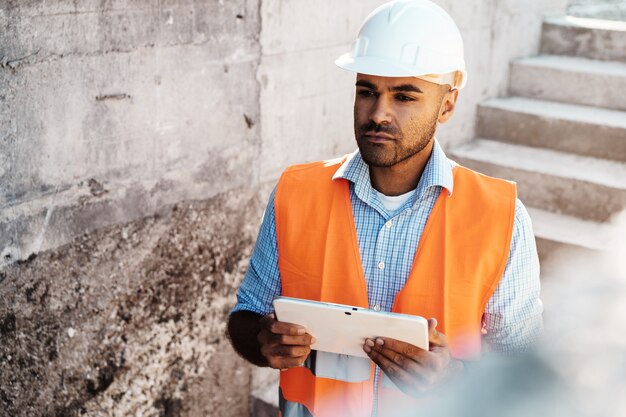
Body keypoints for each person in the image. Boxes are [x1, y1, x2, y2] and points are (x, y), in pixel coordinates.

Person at [228, 0, 543, 416]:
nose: (378, 114)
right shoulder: (295, 193)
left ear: (447, 105)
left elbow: (526, 375)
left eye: (405, 96)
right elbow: (245, 316)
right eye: (367, 91)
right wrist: (264, 340)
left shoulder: (501, 217)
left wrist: (457, 381)